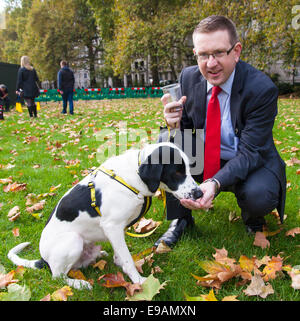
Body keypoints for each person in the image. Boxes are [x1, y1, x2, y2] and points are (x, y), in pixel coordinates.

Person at [155, 15, 286, 248]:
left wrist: (214, 183)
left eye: (218, 53)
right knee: (165, 144)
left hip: (247, 158)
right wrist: (173, 124)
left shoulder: (261, 89)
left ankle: (253, 217)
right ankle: (180, 219)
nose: (211, 63)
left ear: (236, 52)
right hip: (207, 154)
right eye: (203, 55)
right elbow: (183, 137)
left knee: (259, 196)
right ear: (195, 53)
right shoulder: (188, 77)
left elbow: (252, 152)